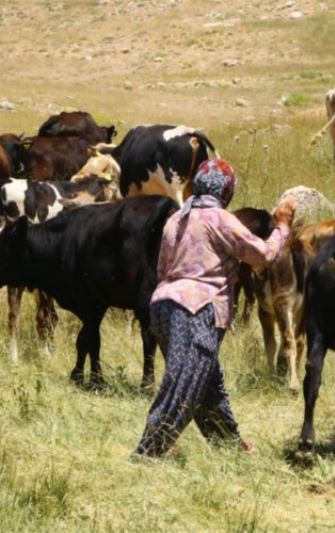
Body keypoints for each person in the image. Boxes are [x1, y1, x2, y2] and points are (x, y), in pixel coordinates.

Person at [133, 158, 295, 458]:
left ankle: (229, 447)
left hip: (164, 306)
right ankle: (146, 455)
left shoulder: (176, 219)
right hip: (196, 309)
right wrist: (282, 227)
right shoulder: (218, 218)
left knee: (207, 384)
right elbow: (264, 255)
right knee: (182, 386)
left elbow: (163, 269)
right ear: (226, 191)